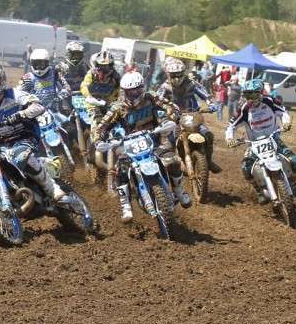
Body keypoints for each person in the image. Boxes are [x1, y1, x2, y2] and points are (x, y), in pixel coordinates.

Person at [0, 64, 66, 226]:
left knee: (21, 156)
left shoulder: (15, 94)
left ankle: (53, 188)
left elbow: (38, 106)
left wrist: (21, 114)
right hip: (4, 144)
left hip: (25, 135)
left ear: (1, 80)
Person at [94, 71, 189, 222]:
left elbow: (169, 106)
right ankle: (126, 205)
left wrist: (171, 117)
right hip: (127, 144)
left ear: (142, 88)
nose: (134, 94)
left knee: (173, 160)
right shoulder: (118, 107)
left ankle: (179, 192)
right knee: (121, 168)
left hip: (154, 140)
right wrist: (98, 140)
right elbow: (101, 126)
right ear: (124, 91)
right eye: (130, 91)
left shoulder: (152, 97)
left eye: (137, 90)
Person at [225, 79, 296, 203]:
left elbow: (284, 112)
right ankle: (259, 190)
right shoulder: (244, 109)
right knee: (246, 168)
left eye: (252, 94)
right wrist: (229, 138)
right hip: (255, 143)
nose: (250, 98)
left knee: (294, 161)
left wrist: (286, 122)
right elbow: (231, 126)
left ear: (260, 92)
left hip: (274, 138)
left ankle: (293, 183)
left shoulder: (270, 101)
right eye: (247, 95)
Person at [157, 57, 221, 174]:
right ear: (168, 74)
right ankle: (172, 164)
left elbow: (205, 94)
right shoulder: (164, 87)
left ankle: (209, 161)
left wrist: (211, 104)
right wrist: (163, 107)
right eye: (173, 75)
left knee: (208, 135)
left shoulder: (191, 83)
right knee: (169, 141)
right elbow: (157, 99)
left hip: (193, 115)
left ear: (184, 73)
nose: (176, 78)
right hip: (175, 117)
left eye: (179, 75)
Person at [80, 51, 121, 135]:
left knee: (117, 120)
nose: (104, 68)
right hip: (93, 103)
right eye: (101, 65)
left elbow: (119, 91)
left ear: (111, 65)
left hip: (108, 103)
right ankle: (97, 139)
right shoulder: (92, 73)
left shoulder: (116, 76)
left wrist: (112, 102)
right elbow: (84, 86)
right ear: (97, 64)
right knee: (97, 122)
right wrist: (88, 96)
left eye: (106, 66)